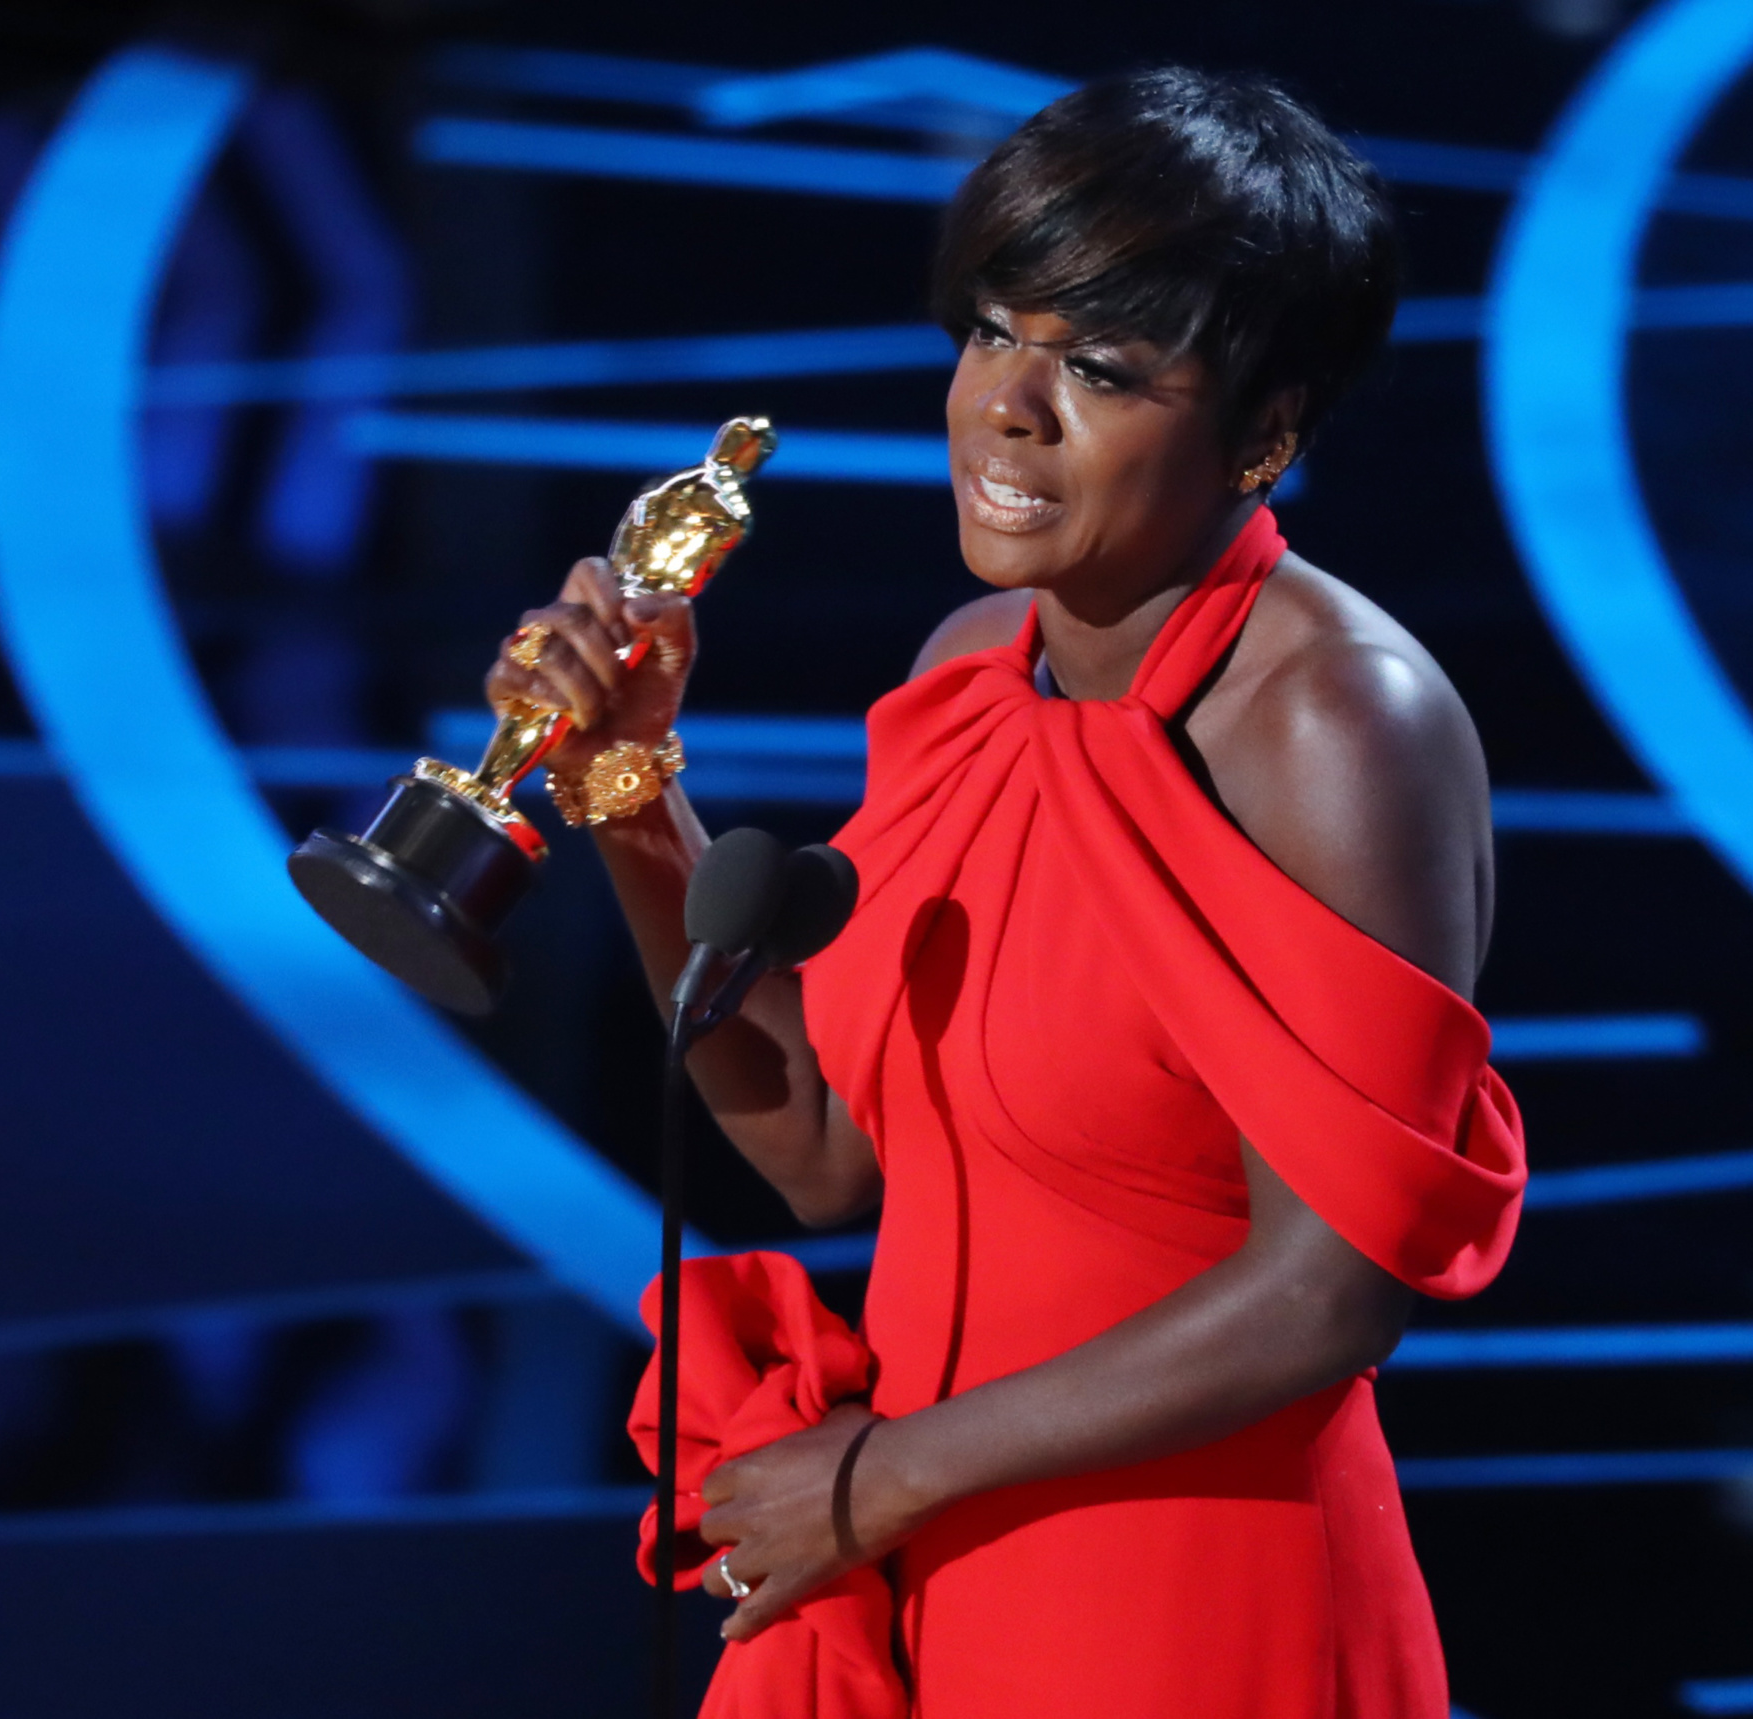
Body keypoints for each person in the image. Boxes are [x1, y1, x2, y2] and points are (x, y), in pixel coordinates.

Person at [485, 67, 1526, 1718]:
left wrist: (877, 1478)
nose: (1009, 409)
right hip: (918, 1556)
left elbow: (1332, 1287)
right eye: (992, 333)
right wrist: (628, 785)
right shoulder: (971, 676)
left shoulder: (1336, 719)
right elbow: (821, 1150)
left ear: (1266, 433)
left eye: (1101, 369)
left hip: (1187, 1600)